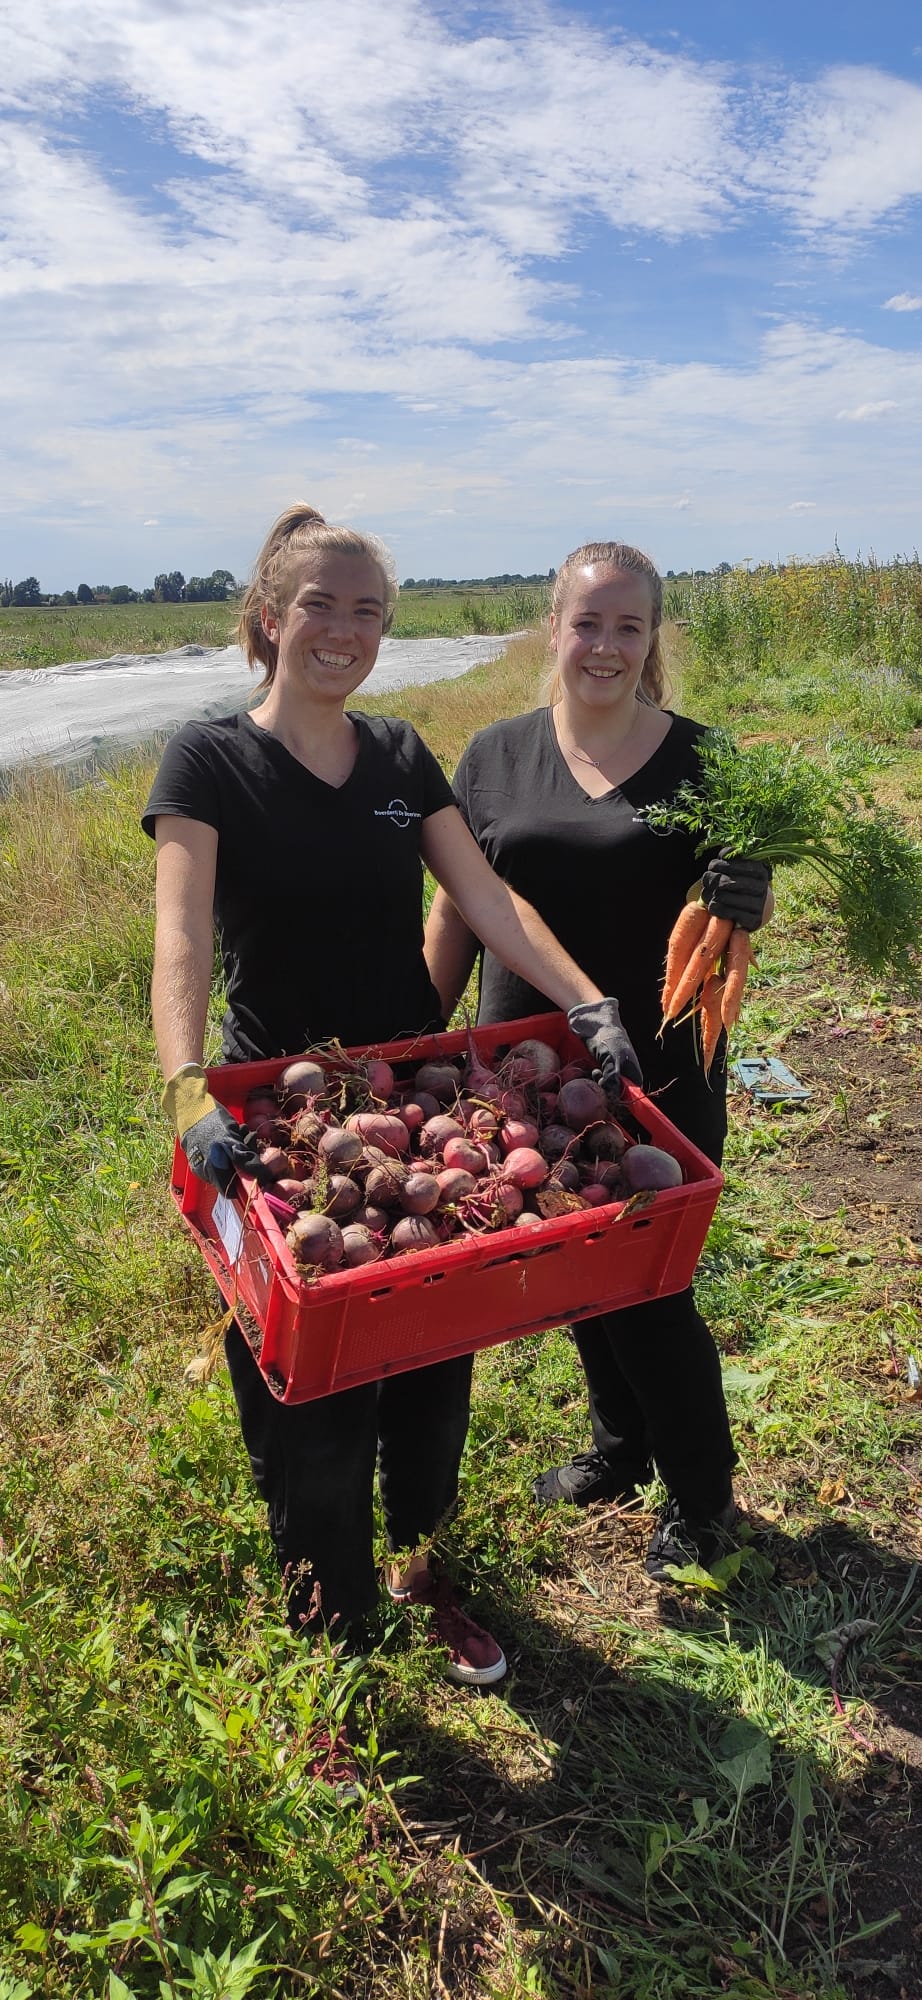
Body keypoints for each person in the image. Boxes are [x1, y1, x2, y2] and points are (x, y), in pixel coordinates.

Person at [143, 504, 641, 1686]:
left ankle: (422, 1569)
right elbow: (178, 937)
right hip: (273, 1115)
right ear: (269, 618)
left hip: (413, 1096)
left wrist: (584, 999)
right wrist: (183, 1089)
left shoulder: (401, 753)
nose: (345, 628)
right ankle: (334, 1642)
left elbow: (486, 899)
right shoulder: (207, 757)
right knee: (308, 1393)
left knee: (431, 1362)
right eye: (320, 602)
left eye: (368, 608)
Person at [424, 540, 772, 1579]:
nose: (606, 645)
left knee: (650, 1285)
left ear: (652, 637)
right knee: (576, 1268)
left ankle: (704, 1500)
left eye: (629, 626)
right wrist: (409, 1030)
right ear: (552, 626)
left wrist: (750, 898)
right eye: (587, 622)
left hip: (658, 1064)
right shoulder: (493, 755)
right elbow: (456, 906)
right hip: (523, 1066)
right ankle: (621, 1449)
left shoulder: (706, 761)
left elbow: (728, 913)